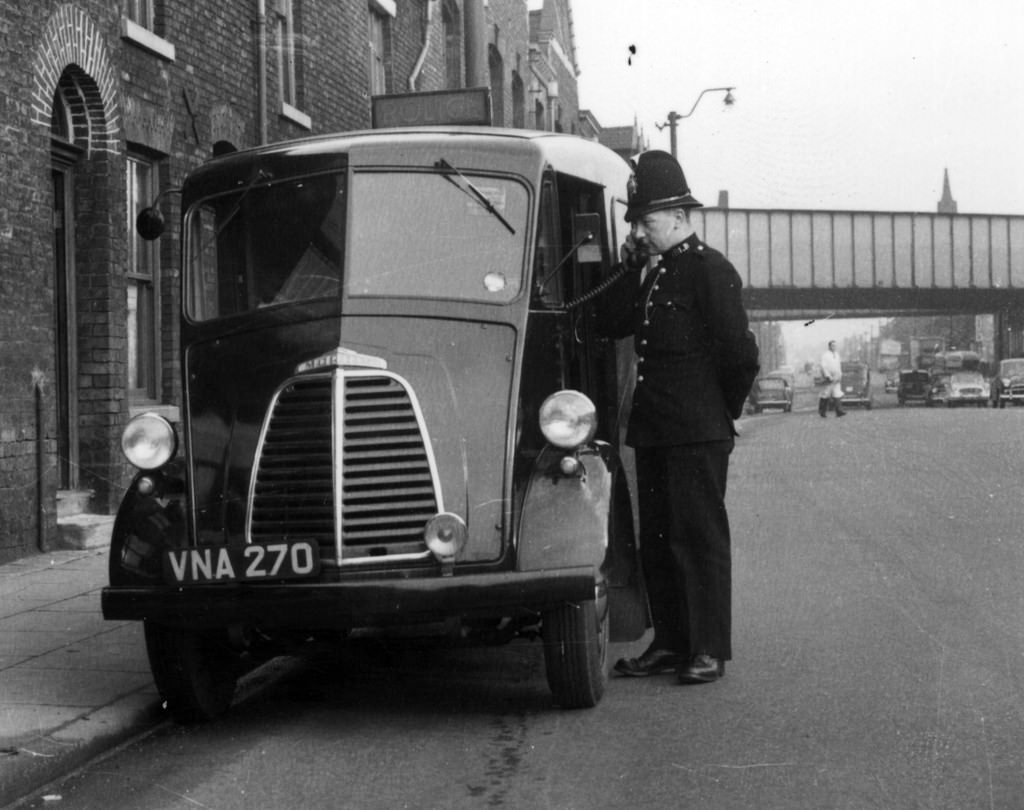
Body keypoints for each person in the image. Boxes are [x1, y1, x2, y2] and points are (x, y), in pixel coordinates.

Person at [599, 150, 759, 685]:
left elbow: (740, 355)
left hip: (696, 432)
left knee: (699, 539)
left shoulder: (711, 271)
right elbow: (611, 322)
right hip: (656, 431)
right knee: (660, 542)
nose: (641, 231)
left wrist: (721, 415)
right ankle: (669, 642)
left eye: (647, 222)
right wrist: (627, 266)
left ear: (680, 217)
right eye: (637, 223)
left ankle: (708, 648)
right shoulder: (650, 273)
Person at [818, 340, 845, 417]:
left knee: (837, 394)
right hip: (829, 378)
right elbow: (823, 366)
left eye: (835, 346)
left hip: (836, 377)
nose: (834, 347)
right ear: (829, 346)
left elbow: (838, 366)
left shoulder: (837, 355)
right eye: (832, 345)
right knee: (825, 394)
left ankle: (839, 411)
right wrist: (827, 376)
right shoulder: (825, 355)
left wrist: (840, 375)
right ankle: (822, 411)